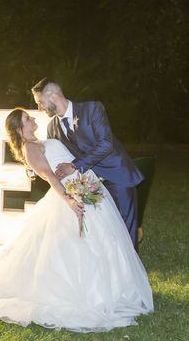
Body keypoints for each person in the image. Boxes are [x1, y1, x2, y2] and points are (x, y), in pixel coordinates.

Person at [0, 108, 153, 332]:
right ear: (20, 130)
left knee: (105, 237)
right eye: (27, 119)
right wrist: (70, 201)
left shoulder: (41, 140)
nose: (33, 119)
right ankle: (91, 293)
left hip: (84, 185)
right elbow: (50, 177)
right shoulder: (30, 148)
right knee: (79, 245)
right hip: (69, 193)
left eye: (31, 116)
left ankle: (117, 286)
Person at [31, 79, 144, 250]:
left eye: (40, 102)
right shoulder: (52, 128)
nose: (40, 108)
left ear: (53, 96)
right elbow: (53, 157)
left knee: (125, 228)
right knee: (104, 229)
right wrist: (34, 169)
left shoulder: (92, 109)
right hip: (87, 185)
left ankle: (132, 271)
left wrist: (75, 166)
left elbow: (106, 144)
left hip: (116, 175)